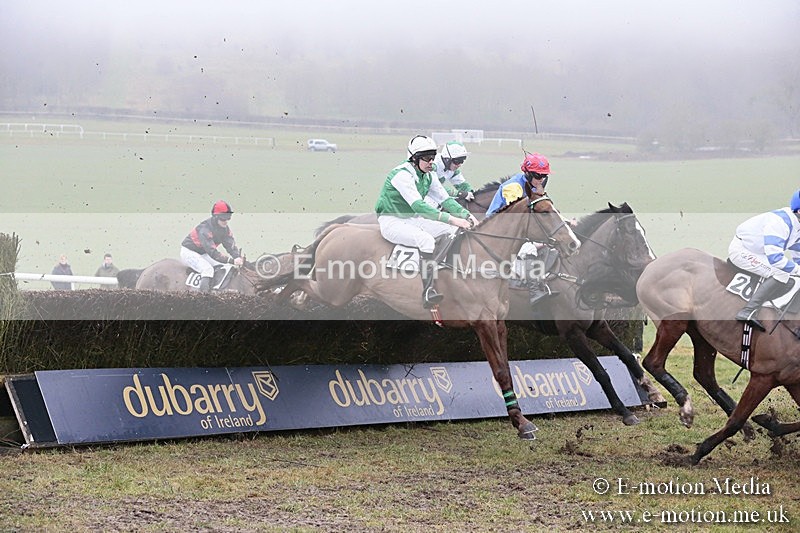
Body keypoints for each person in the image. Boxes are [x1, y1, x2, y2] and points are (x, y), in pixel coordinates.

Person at [375, 135, 479, 308]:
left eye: (433, 157)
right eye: (427, 158)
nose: (432, 162)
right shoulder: (402, 175)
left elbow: (445, 200)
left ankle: (450, 275)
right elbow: (418, 206)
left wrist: (467, 215)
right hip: (391, 221)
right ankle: (428, 290)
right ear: (414, 158)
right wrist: (453, 219)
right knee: (426, 240)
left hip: (411, 219)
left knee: (452, 232)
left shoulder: (428, 175)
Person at [486, 153, 560, 307]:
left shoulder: (534, 187)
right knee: (530, 248)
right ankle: (535, 291)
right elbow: (519, 218)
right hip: (498, 229)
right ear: (528, 173)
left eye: (544, 176)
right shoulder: (513, 187)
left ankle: (539, 280)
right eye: (538, 175)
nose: (541, 179)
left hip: (516, 229)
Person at [728, 189, 800, 331]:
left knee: (791, 277)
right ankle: (747, 311)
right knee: (781, 274)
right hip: (742, 251)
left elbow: (797, 253)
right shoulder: (781, 223)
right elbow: (776, 259)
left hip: (761, 253)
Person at [180, 200, 243, 293]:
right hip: (189, 252)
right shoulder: (204, 229)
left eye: (228, 218)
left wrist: (237, 256)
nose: (226, 221)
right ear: (216, 217)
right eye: (223, 219)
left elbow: (230, 245)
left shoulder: (224, 229)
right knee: (207, 270)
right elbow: (212, 253)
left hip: (203, 253)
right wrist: (232, 260)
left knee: (225, 266)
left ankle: (215, 290)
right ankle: (204, 297)